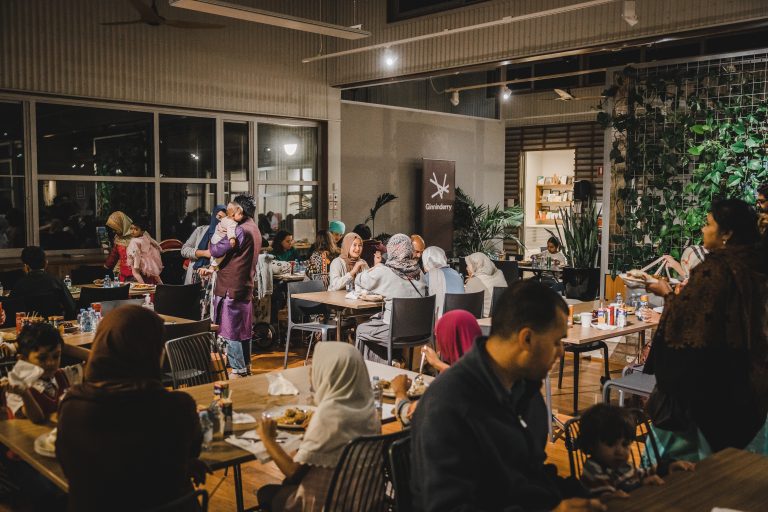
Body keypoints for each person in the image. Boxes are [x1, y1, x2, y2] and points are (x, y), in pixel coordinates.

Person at [410, 281, 604, 512]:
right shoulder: (449, 405)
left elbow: (531, 476)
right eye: (556, 342)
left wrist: (591, 494)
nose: (561, 352)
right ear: (526, 339)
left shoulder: (524, 391)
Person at [644, 199, 768, 461]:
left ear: (727, 233)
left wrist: (666, 294)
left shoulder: (716, 269)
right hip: (749, 380)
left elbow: (689, 323)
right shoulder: (755, 266)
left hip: (710, 387)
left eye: (709, 223)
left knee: (686, 468)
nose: (703, 229)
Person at [57, 306, 204, 512]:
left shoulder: (73, 405)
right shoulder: (177, 406)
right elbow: (191, 452)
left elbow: (68, 466)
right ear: (152, 353)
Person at [255, 342, 379, 511]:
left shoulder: (329, 415)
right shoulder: (369, 410)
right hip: (363, 501)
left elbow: (292, 472)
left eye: (315, 366)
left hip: (329, 504)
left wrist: (267, 438)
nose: (311, 371)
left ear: (330, 372)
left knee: (266, 492)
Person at [578, 404, 694, 498]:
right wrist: (641, 485)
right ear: (591, 445)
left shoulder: (622, 465)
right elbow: (609, 498)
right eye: (610, 444)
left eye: (625, 444)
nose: (620, 451)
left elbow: (643, 474)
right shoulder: (594, 470)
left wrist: (667, 467)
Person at [394, 310, 482, 426]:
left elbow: (409, 416)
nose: (439, 344)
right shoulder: (490, 371)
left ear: (449, 339)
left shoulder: (450, 389)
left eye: (440, 337)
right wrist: (439, 364)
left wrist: (400, 392)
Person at [208, 195, 261, 378]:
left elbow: (215, 250)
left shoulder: (240, 230)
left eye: (231, 210)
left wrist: (216, 236)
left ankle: (238, 370)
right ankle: (246, 367)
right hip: (244, 285)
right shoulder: (254, 228)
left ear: (240, 211)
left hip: (230, 286)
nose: (229, 214)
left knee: (231, 331)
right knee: (243, 330)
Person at [355, 234, 426, 364]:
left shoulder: (386, 271)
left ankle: (377, 368)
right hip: (421, 331)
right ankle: (393, 361)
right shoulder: (419, 272)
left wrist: (375, 267)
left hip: (396, 331)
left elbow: (359, 279)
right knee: (378, 323)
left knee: (362, 329)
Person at [5, 323, 83, 424]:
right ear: (23, 360)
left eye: (56, 356)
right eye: (42, 358)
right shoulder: (16, 386)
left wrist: (63, 346)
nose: (51, 363)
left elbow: (99, 362)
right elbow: (37, 419)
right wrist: (25, 394)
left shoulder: (62, 375)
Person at [10, 246, 77, 320]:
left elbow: (10, 311)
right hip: (54, 325)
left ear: (25, 266)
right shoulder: (56, 281)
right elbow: (72, 307)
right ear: (46, 263)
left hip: (29, 326)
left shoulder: (19, 285)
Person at [180, 205, 226, 284]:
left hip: (215, 279)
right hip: (194, 276)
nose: (221, 221)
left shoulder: (227, 236)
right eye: (219, 217)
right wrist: (204, 253)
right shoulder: (200, 230)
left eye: (224, 219)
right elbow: (184, 250)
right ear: (213, 216)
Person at [422, 246, 464, 318]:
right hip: (460, 316)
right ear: (444, 258)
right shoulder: (456, 273)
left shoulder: (428, 276)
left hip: (442, 319)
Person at [464, 252, 508, 317]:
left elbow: (466, 302)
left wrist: (471, 281)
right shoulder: (499, 273)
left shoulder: (475, 280)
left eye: (468, 265)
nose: (467, 268)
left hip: (485, 317)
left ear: (475, 265)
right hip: (504, 314)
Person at [126, 217, 163, 285]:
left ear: (142, 231)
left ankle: (143, 285)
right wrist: (160, 248)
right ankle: (161, 283)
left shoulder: (134, 241)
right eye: (131, 228)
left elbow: (136, 253)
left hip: (138, 260)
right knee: (154, 273)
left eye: (136, 229)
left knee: (136, 273)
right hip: (148, 260)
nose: (132, 231)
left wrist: (136, 265)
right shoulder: (146, 236)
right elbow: (154, 242)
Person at [103, 211, 134, 282]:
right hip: (121, 272)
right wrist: (107, 265)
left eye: (115, 229)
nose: (114, 231)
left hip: (136, 271)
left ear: (122, 225)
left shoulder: (136, 236)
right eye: (113, 229)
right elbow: (114, 254)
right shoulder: (118, 238)